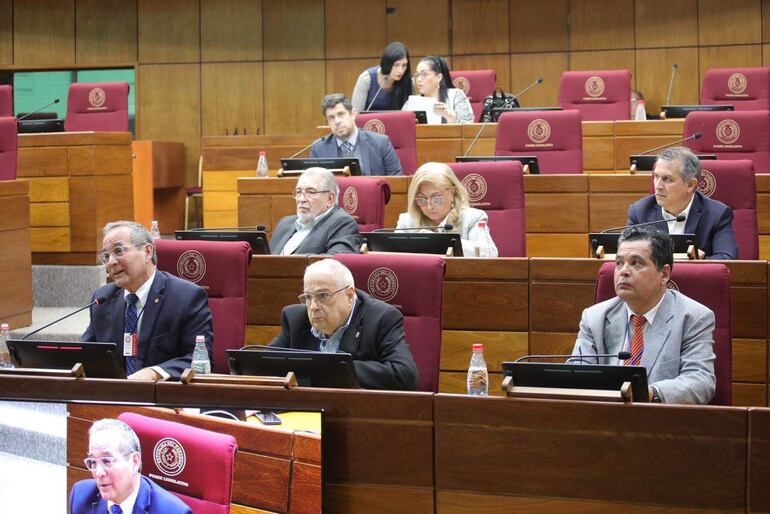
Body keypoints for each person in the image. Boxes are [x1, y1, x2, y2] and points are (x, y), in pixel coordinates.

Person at [571, 226, 716, 404]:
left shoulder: (693, 317)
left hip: (662, 422)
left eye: (636, 263)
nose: (623, 271)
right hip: (604, 419)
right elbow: (576, 374)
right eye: (619, 263)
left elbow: (701, 382)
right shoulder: (594, 317)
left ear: (664, 274)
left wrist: (648, 393)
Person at [82, 221, 213, 381]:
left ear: (147, 251)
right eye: (106, 256)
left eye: (119, 251)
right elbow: (85, 353)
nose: (111, 262)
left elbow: (198, 361)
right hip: (115, 398)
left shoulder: (186, 297)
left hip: (164, 398)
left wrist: (154, 373)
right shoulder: (102, 299)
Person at [270, 259, 419, 390]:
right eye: (308, 297)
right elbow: (263, 365)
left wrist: (337, 368)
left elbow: (404, 374)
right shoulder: (296, 319)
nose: (313, 306)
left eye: (323, 296)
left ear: (349, 295)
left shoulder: (380, 318)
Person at [626, 146, 738, 259]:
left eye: (667, 179)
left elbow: (727, 260)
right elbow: (625, 256)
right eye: (656, 177)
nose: (658, 186)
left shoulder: (717, 215)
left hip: (695, 276)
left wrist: (700, 262)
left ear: (690, 185)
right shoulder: (640, 212)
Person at [70, 418, 192, 514]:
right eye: (93, 462)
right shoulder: (81, 496)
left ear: (134, 462)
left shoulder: (174, 512)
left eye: (107, 461)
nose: (98, 472)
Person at [396, 162, 498, 257]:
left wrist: (439, 241)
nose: (429, 206)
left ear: (452, 193)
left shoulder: (472, 219)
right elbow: (394, 257)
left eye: (436, 199)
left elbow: (490, 254)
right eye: (422, 199)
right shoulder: (407, 222)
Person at [270, 167, 361, 255]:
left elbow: (337, 262)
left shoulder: (343, 224)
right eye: (298, 192)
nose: (301, 199)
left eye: (311, 192)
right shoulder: (285, 223)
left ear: (330, 198)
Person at [310, 93, 403, 176]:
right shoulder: (319, 149)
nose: (337, 121)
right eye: (331, 117)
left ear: (353, 114)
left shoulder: (380, 143)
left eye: (341, 114)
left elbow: (397, 182)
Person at [402, 56, 474, 124]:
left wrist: (450, 115)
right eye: (417, 75)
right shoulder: (411, 103)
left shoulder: (455, 95)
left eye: (424, 74)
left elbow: (470, 127)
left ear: (439, 77)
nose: (419, 79)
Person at [351, 41, 412, 112]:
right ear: (387, 63)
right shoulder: (366, 79)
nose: (400, 70)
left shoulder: (408, 81)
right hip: (370, 122)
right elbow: (355, 115)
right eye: (396, 65)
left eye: (404, 65)